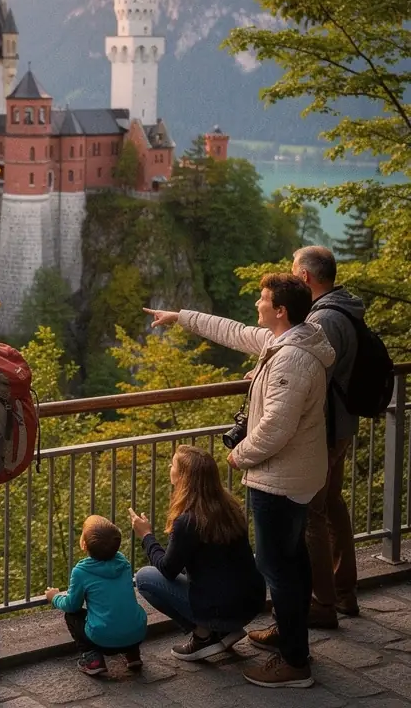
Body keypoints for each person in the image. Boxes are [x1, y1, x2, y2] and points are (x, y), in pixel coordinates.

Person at [145, 272, 334, 689]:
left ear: (280, 311)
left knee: (276, 567)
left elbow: (275, 427)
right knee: (292, 559)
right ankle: (289, 635)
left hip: (279, 478)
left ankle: (294, 662)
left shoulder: (290, 358)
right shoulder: (287, 341)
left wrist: (237, 455)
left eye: (263, 300)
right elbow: (234, 331)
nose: (256, 306)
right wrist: (181, 317)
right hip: (296, 471)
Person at [131, 445, 265, 661]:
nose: (169, 467)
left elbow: (167, 569)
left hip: (223, 608)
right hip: (251, 603)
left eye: (173, 465)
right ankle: (224, 630)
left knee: (145, 577)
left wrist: (146, 536)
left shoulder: (188, 520)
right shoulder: (230, 506)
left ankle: (203, 636)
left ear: (184, 476)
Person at [293, 245, 363, 625]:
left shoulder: (322, 320)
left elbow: (311, 377)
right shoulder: (346, 307)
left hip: (325, 427)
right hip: (343, 423)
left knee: (312, 513)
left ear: (305, 277)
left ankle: (322, 603)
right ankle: (345, 591)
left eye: (293, 271)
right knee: (333, 503)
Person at [45, 515, 147, 677]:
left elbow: (73, 605)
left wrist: (55, 597)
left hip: (104, 641)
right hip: (138, 634)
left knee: (72, 615)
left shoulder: (81, 572)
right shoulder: (124, 564)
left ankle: (93, 659)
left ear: (84, 545)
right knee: (124, 610)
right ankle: (132, 654)